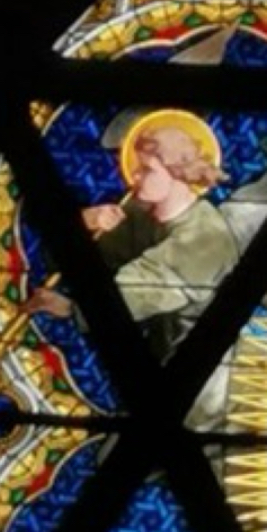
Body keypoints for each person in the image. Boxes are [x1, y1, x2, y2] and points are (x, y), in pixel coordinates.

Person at [26, 113, 239, 429]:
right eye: (135, 167)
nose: (134, 177)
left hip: (202, 390)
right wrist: (84, 223)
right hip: (153, 372)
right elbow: (70, 261)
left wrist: (71, 307)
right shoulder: (140, 216)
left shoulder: (205, 238)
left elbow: (136, 294)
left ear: (178, 173)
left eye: (146, 169)